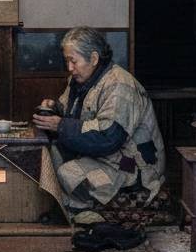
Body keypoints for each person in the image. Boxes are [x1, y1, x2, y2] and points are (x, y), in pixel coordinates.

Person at [33, 26, 165, 222]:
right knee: (50, 152)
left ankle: (82, 212)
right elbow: (69, 114)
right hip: (107, 156)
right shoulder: (79, 80)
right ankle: (72, 206)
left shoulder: (119, 86)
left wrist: (60, 125)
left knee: (67, 172)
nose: (69, 68)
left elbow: (108, 138)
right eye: (67, 61)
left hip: (130, 163)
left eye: (73, 61)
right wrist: (52, 109)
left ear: (94, 59)